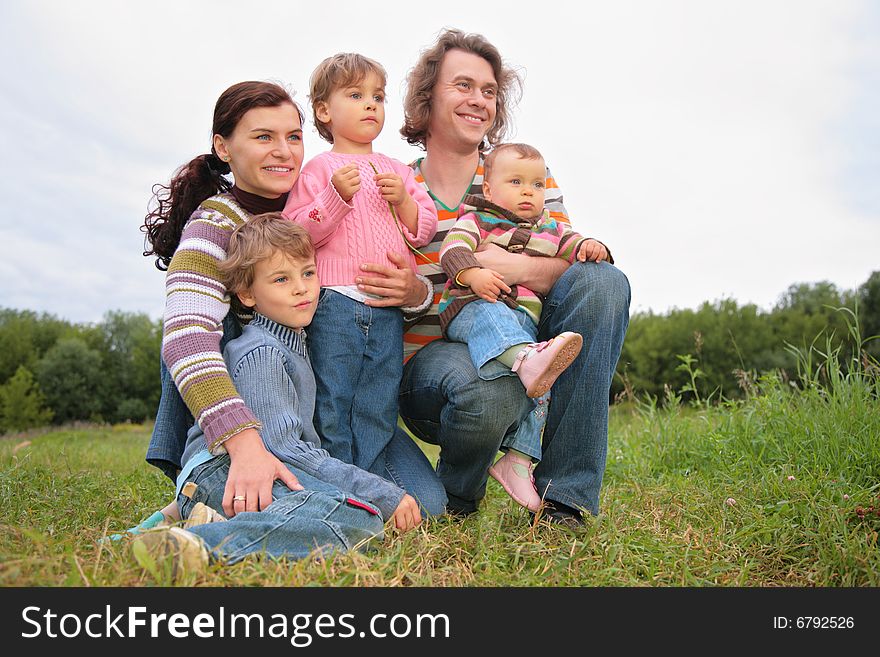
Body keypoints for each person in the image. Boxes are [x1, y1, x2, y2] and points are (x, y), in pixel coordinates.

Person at [133, 80, 445, 540]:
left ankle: (207, 511)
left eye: (293, 137)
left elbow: (380, 270)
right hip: (258, 412)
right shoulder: (216, 225)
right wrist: (245, 444)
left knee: (428, 508)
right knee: (358, 516)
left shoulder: (321, 199)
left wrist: (414, 292)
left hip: (334, 400)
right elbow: (186, 339)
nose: (283, 152)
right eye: (263, 137)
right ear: (223, 147)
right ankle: (202, 499)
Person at [352, 29, 631, 525]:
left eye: (488, 90)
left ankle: (565, 501)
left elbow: (570, 259)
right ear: (428, 96)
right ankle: (460, 496)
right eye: (463, 85)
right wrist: (429, 288)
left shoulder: (523, 177)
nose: (478, 100)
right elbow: (377, 286)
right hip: (431, 364)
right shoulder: (393, 183)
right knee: (485, 384)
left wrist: (502, 266)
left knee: (603, 283)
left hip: (525, 330)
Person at [134, 213, 421, 574]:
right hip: (226, 470)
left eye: (308, 273)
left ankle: (208, 523)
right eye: (281, 279)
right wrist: (381, 492)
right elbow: (283, 447)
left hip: (245, 475)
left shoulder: (292, 343)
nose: (301, 288)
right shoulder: (262, 352)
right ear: (248, 294)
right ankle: (200, 546)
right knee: (359, 520)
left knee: (353, 511)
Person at [283, 53, 438, 474]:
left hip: (387, 310)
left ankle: (370, 484)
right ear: (324, 111)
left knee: (377, 398)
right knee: (333, 396)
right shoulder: (318, 170)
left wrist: (404, 201)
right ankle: (337, 480)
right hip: (335, 305)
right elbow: (297, 235)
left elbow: (423, 230)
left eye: (378, 96)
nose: (371, 104)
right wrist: (334, 197)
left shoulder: (398, 172)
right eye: (356, 95)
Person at [439, 142, 613, 511]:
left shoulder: (549, 229)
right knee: (506, 328)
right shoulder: (478, 219)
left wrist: (592, 246)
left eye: (536, 185)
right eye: (516, 181)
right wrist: (473, 273)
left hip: (523, 326)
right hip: (473, 309)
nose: (527, 192)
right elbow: (453, 247)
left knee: (546, 376)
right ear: (488, 189)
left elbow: (574, 247)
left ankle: (518, 458)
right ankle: (524, 359)